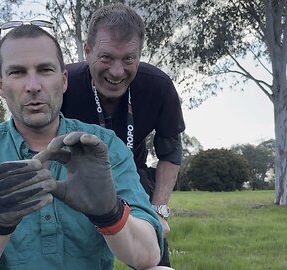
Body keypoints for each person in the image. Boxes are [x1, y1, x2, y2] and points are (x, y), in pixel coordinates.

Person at [0, 24, 166, 270]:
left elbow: (148, 256)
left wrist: (110, 214)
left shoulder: (104, 147)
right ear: (0, 85)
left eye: (45, 70)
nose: (33, 86)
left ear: (63, 80)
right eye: (17, 72)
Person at [61, 4, 186, 267]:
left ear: (140, 55)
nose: (117, 72)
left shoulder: (159, 87)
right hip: (70, 177)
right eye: (106, 58)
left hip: (132, 175)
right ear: (87, 51)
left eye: (128, 59)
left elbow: (170, 152)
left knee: (153, 252)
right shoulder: (63, 84)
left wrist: (159, 211)